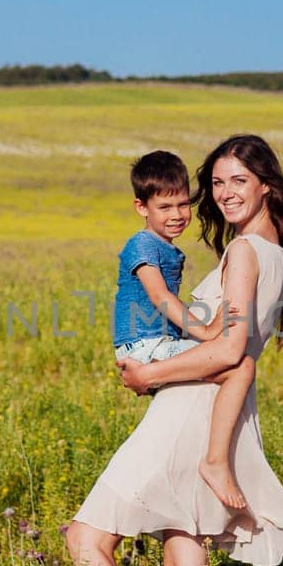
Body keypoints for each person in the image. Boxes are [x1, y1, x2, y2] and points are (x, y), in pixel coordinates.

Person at [66, 134, 283, 566]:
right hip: (215, 416)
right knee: (186, 562)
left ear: (266, 185)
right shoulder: (274, 250)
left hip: (188, 412)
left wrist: (150, 372)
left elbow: (231, 350)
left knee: (86, 538)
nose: (226, 193)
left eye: (239, 180)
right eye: (218, 183)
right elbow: (240, 352)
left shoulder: (244, 254)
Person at [110, 150, 257, 514]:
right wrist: (206, 333)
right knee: (240, 367)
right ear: (141, 207)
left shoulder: (166, 247)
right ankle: (215, 461)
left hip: (158, 342)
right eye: (165, 207)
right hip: (143, 346)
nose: (177, 215)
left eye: (182, 205)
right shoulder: (142, 245)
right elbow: (160, 296)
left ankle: (197, 468)